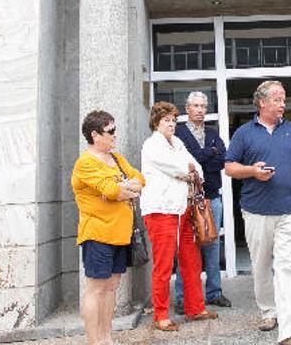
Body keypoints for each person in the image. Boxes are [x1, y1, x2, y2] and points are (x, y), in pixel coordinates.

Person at [224, 81, 291, 345]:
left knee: (287, 267)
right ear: (262, 103)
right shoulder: (244, 132)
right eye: (277, 99)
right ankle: (268, 310)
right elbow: (230, 167)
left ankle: (290, 331)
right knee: (261, 264)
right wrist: (252, 171)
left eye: (284, 99)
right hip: (256, 211)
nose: (282, 104)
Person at [141, 101, 218, 331]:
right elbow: (177, 167)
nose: (172, 124)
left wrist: (191, 172)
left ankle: (196, 308)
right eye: (167, 120)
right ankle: (161, 315)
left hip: (184, 209)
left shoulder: (178, 142)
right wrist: (189, 172)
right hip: (162, 210)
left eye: (174, 120)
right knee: (164, 264)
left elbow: (197, 168)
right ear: (156, 122)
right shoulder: (151, 145)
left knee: (192, 260)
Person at [72, 110, 144, 345]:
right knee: (96, 288)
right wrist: (122, 188)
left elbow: (139, 178)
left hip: (120, 234)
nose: (115, 136)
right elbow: (113, 191)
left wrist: (126, 187)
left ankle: (106, 338)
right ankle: (94, 341)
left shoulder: (115, 158)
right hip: (98, 234)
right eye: (110, 131)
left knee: (112, 287)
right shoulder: (86, 162)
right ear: (95, 135)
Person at [173, 92, 231, 314]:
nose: (200, 110)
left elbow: (222, 160)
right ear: (187, 109)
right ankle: (182, 295)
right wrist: (208, 154)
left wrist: (201, 157)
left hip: (212, 196)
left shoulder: (213, 133)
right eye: (195, 106)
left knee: (212, 245)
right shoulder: (178, 133)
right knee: (187, 247)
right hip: (186, 199)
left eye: (203, 106)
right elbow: (188, 159)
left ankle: (214, 292)